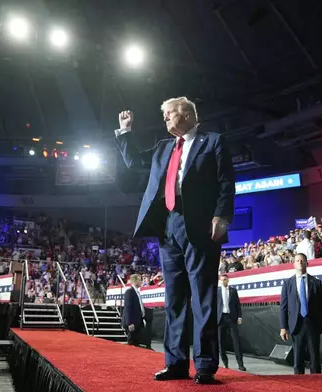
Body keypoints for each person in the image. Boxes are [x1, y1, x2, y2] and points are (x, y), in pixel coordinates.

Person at [115, 97, 235, 384]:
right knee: (175, 299)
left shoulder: (213, 141)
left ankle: (205, 365)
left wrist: (222, 216)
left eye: (169, 114)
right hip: (168, 225)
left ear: (186, 114)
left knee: (203, 297)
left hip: (201, 225)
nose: (166, 119)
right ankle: (176, 363)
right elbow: (134, 162)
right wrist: (125, 132)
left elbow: (226, 182)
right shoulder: (163, 147)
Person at [280, 253, 322, 374]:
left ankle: (317, 383)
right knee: (298, 358)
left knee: (314, 357)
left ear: (307, 263)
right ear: (293, 264)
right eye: (297, 260)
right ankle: (299, 383)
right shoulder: (288, 283)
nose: (300, 262)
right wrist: (283, 327)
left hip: (313, 324)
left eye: (302, 260)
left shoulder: (316, 283)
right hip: (296, 325)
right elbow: (283, 307)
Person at [217, 274, 246, 371]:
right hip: (221, 319)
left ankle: (240, 364)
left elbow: (238, 305)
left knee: (236, 341)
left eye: (225, 280)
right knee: (221, 342)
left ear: (228, 280)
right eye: (222, 280)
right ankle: (225, 363)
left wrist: (240, 316)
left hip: (231, 318)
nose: (223, 281)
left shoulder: (233, 291)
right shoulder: (217, 291)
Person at [122, 274, 146, 347]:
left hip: (137, 322)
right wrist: (130, 323)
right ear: (134, 281)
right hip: (132, 323)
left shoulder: (137, 292)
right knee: (132, 344)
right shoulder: (129, 292)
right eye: (139, 280)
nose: (141, 281)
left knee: (136, 344)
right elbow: (128, 308)